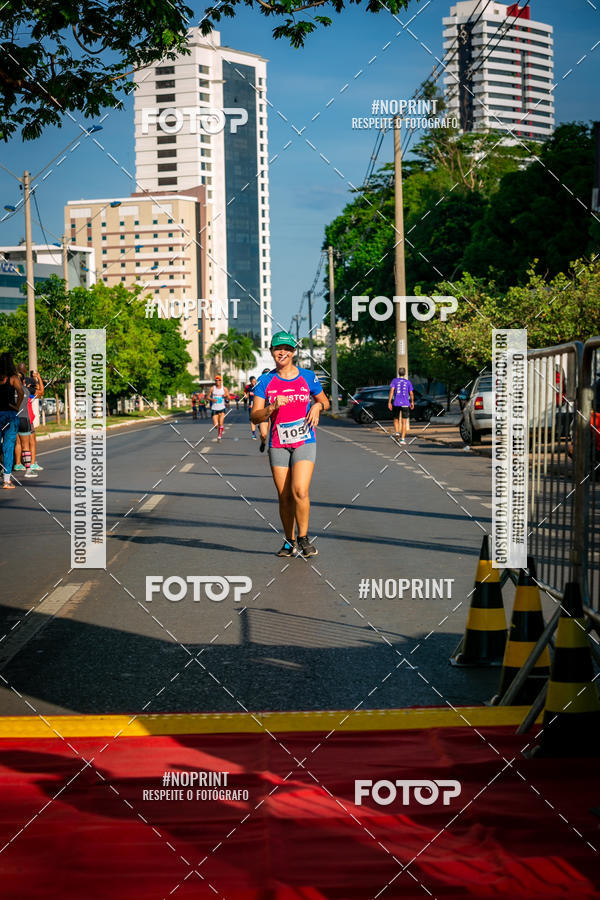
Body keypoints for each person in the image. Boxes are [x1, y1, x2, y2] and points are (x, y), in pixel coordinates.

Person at [251, 331, 329, 558]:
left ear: (293, 352)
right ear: (272, 352)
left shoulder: (307, 376)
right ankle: (289, 541)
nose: (282, 352)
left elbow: (324, 400)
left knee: (300, 491)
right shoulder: (265, 381)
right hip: (278, 443)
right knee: (284, 496)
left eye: (286, 348)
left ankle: (304, 538)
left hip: (304, 439)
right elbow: (255, 417)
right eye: (278, 348)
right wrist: (271, 407)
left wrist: (317, 406)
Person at [14, 364, 44, 473]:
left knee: (17, 443)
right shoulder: (27, 390)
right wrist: (38, 378)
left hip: (14, 417)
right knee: (29, 443)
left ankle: (17, 464)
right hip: (26, 418)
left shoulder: (11, 389)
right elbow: (41, 392)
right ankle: (30, 466)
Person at [0, 353, 24, 490]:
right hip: (10, 414)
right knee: (8, 447)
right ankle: (6, 481)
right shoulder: (14, 378)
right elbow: (21, 393)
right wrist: (17, 406)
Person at [388, 367, 414, 444]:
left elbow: (392, 391)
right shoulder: (408, 382)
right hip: (406, 404)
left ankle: (396, 432)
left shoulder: (394, 381)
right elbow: (411, 393)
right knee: (404, 422)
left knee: (396, 418)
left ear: (398, 373)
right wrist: (412, 402)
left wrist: (389, 402)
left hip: (396, 403)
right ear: (405, 373)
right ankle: (402, 439)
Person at [208, 375, 229, 441]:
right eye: (216, 380)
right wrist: (212, 399)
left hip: (222, 408)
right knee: (216, 425)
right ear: (215, 381)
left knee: (221, 423)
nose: (217, 381)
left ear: (221, 381)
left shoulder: (224, 388)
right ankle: (217, 429)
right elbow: (207, 397)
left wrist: (226, 396)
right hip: (214, 408)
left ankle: (219, 436)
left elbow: (229, 397)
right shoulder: (212, 388)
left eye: (219, 380)